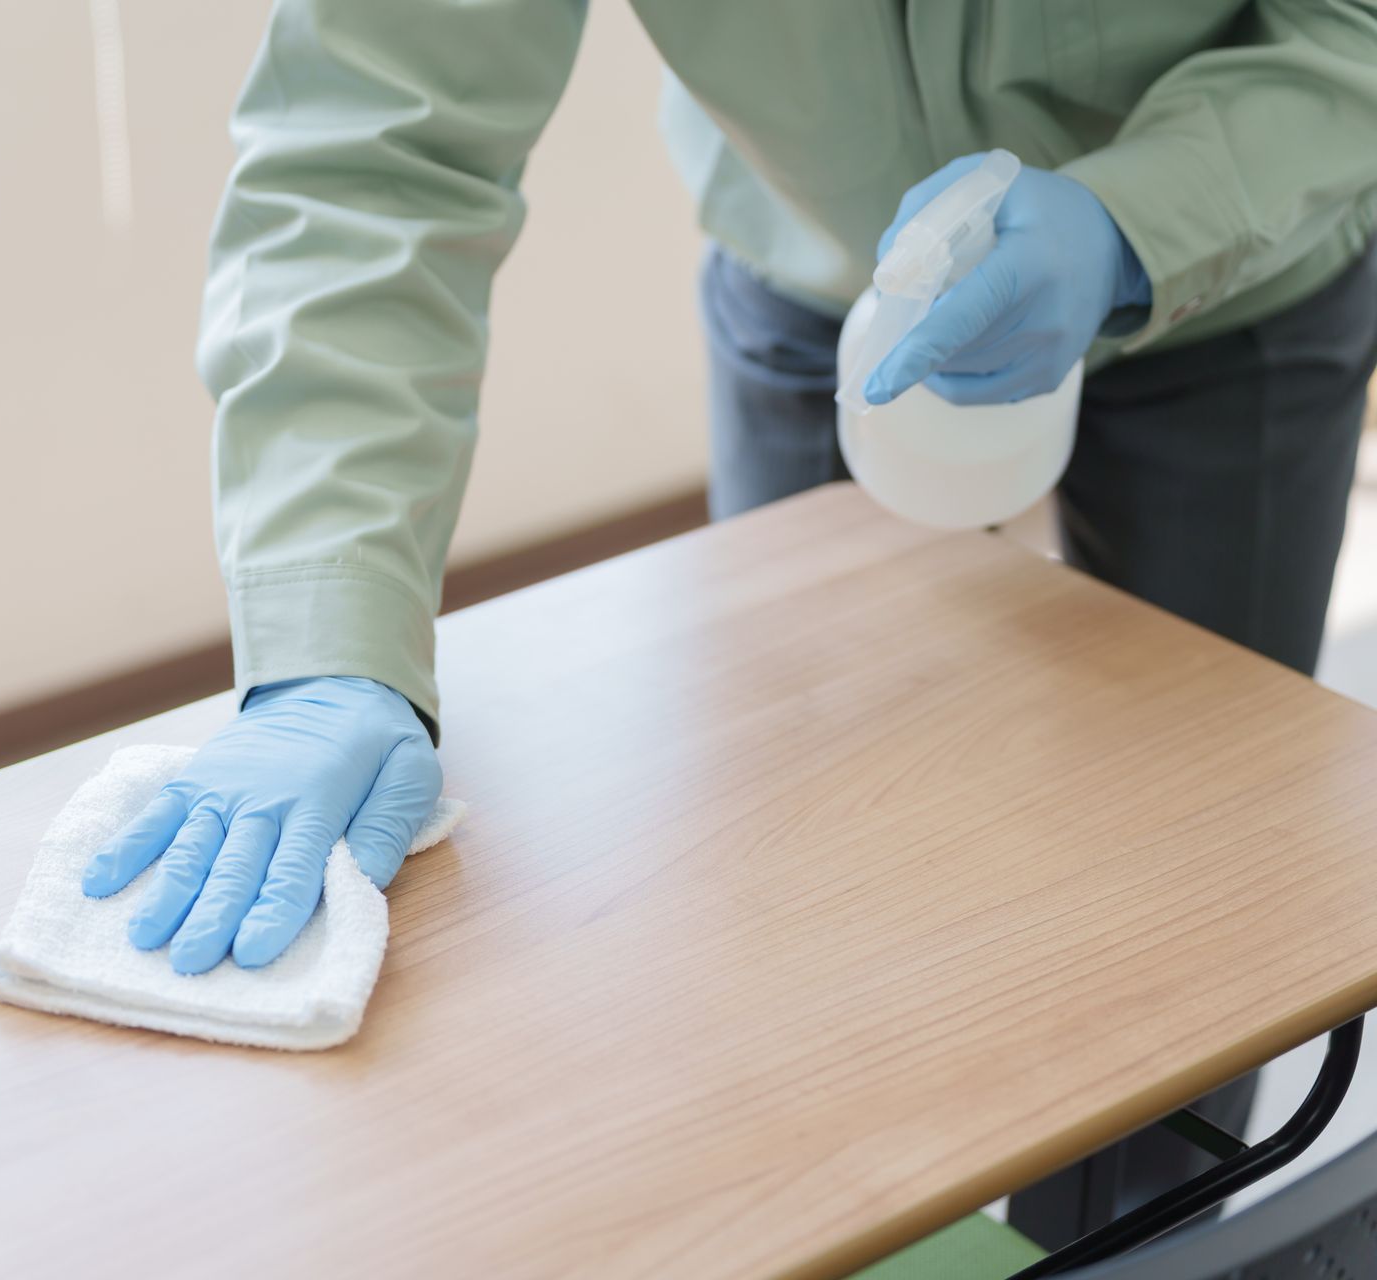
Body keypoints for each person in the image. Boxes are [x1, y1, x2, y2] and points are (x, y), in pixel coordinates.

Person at [79, 0, 1377, 1244]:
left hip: (1239, 280)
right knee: (795, 920)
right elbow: (371, 153)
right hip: (819, 287)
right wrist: (328, 641)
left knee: (1188, 922)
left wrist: (1141, 215)